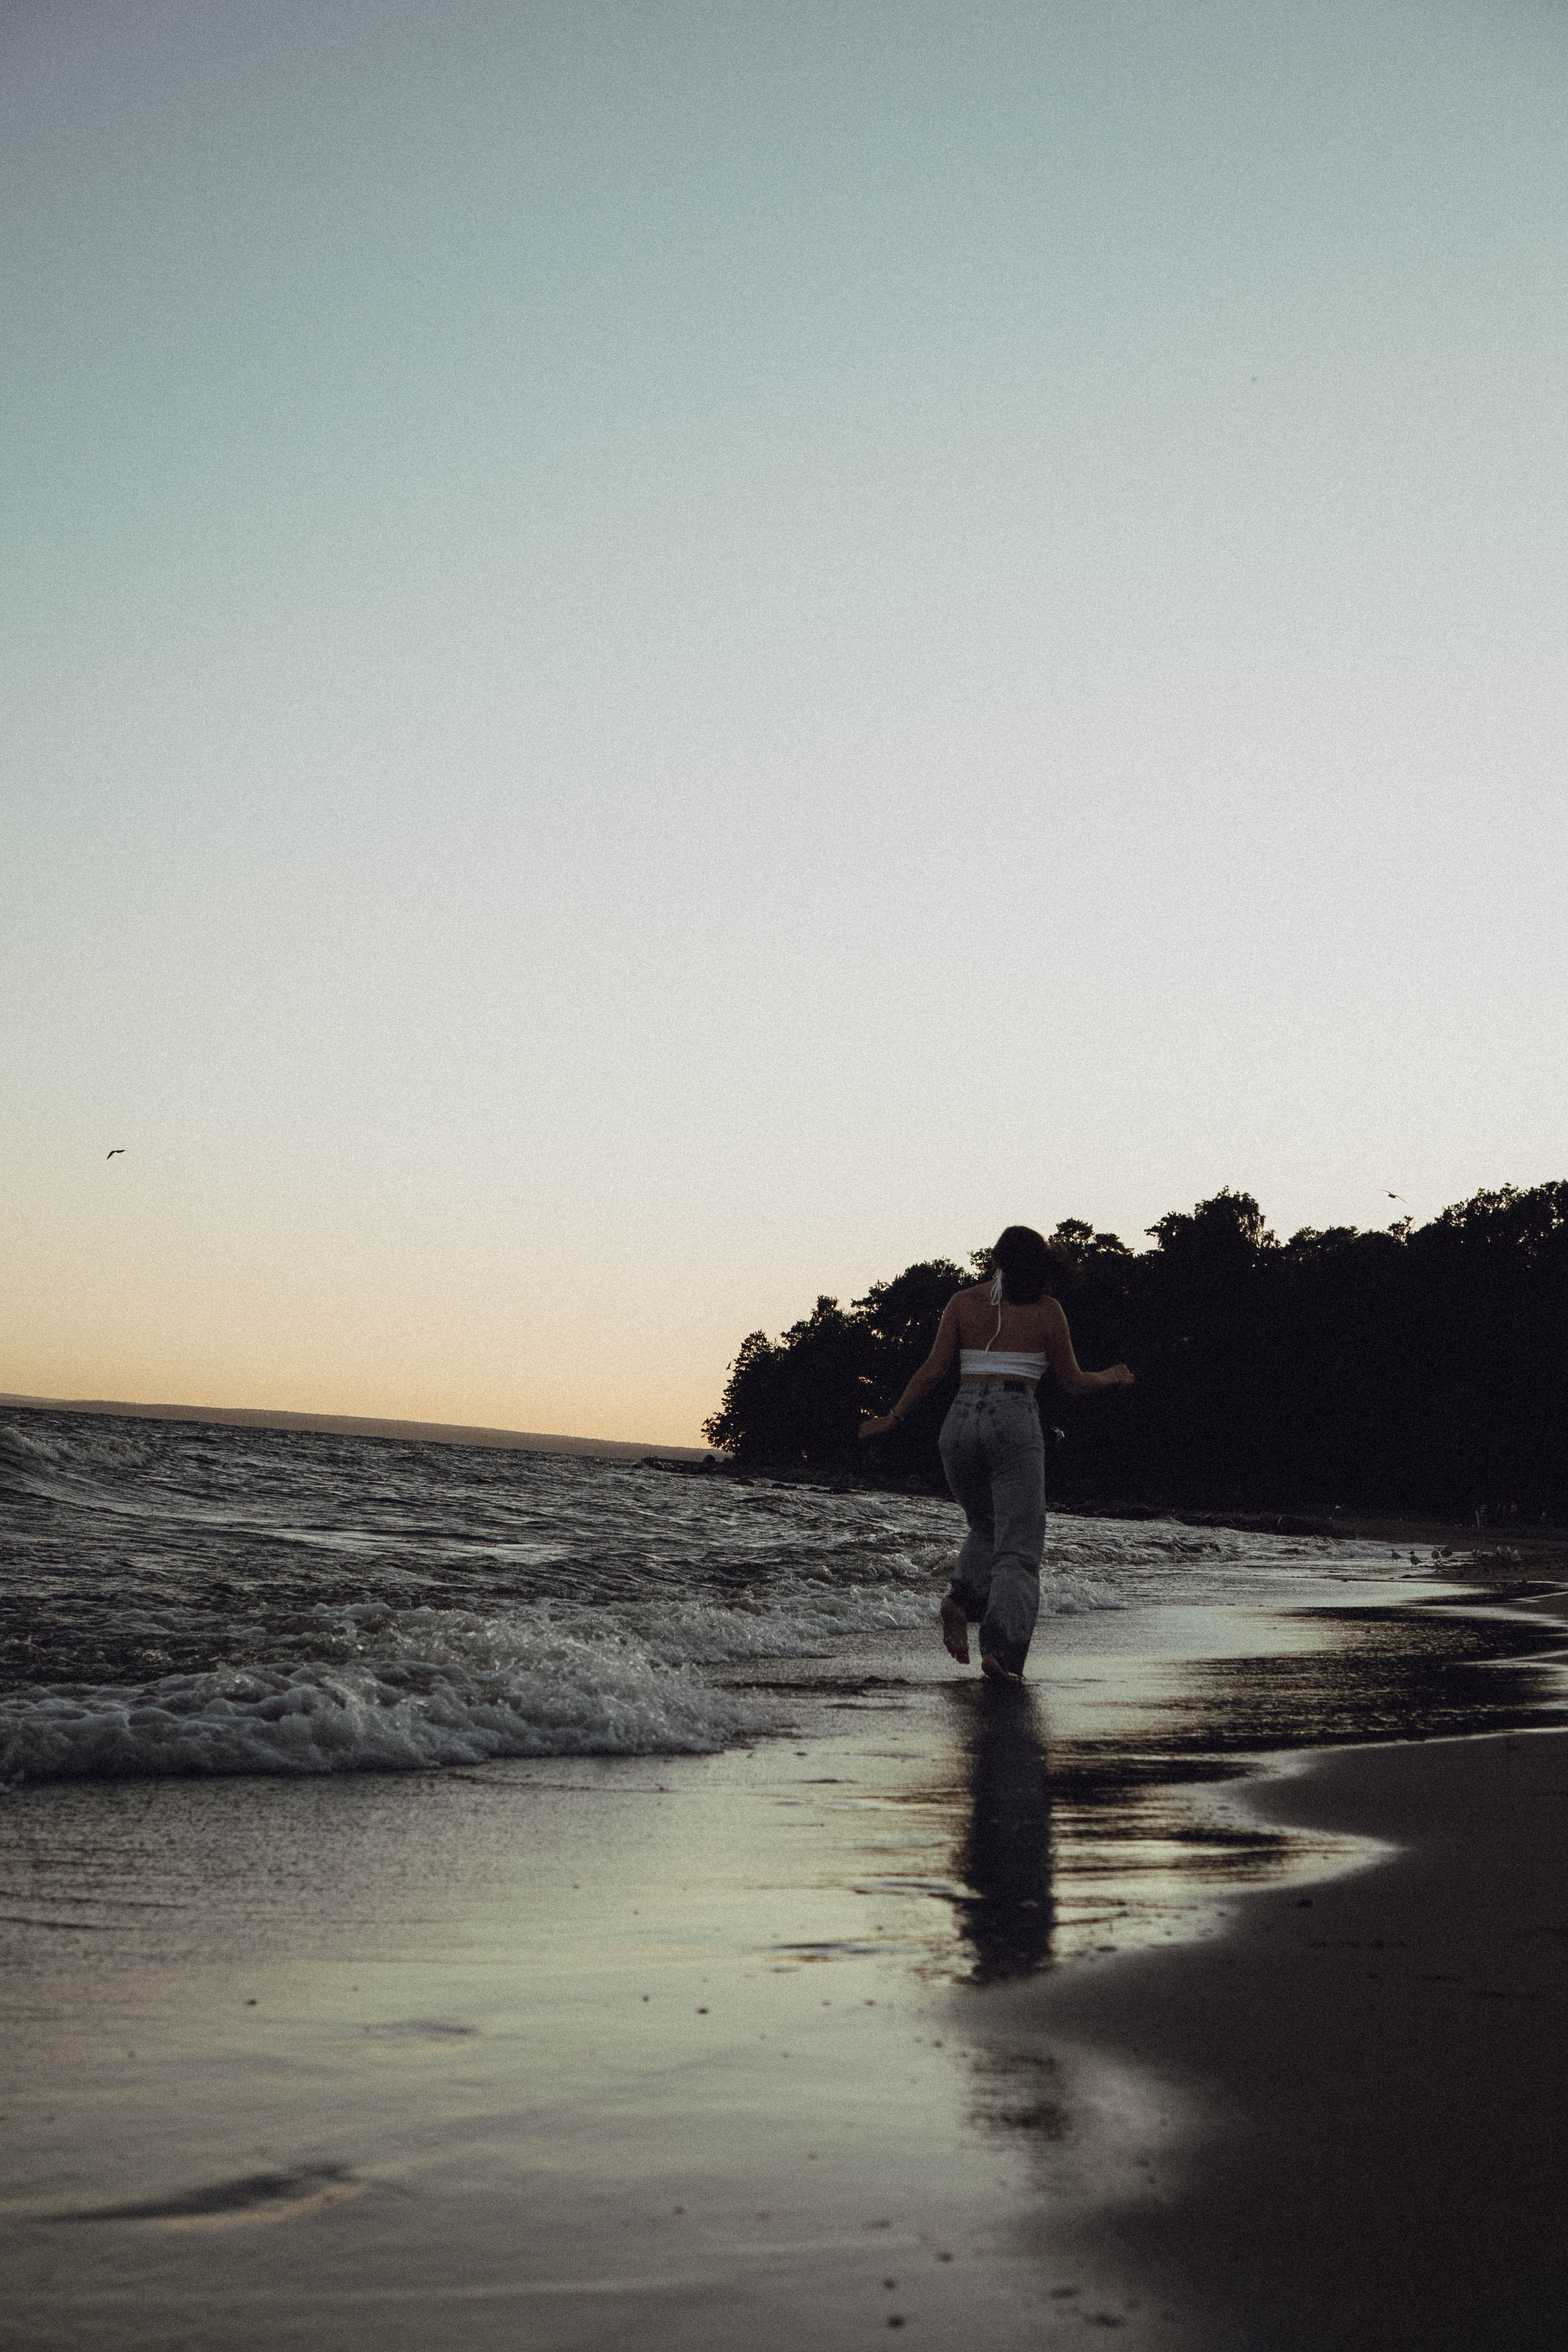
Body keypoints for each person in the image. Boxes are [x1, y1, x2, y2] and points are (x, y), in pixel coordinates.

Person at [858, 1225, 1133, 1683]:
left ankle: (961, 1601)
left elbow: (931, 1372)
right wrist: (1112, 1376)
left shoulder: (963, 1303)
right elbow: (1073, 1381)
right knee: (1018, 1551)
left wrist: (893, 1417)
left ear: (995, 1260)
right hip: (1013, 1417)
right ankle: (1001, 1654)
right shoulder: (1048, 1311)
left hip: (959, 1422)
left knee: (985, 1524)